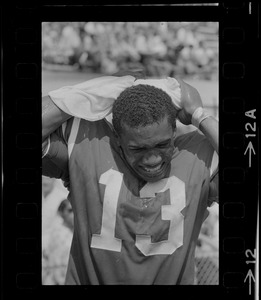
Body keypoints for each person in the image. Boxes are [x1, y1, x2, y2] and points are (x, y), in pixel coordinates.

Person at [42, 70, 218, 285]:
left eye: (162, 145)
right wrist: (104, 89)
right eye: (138, 148)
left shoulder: (198, 154)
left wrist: (199, 114)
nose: (153, 159)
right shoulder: (87, 141)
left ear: (174, 131)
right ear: (117, 139)